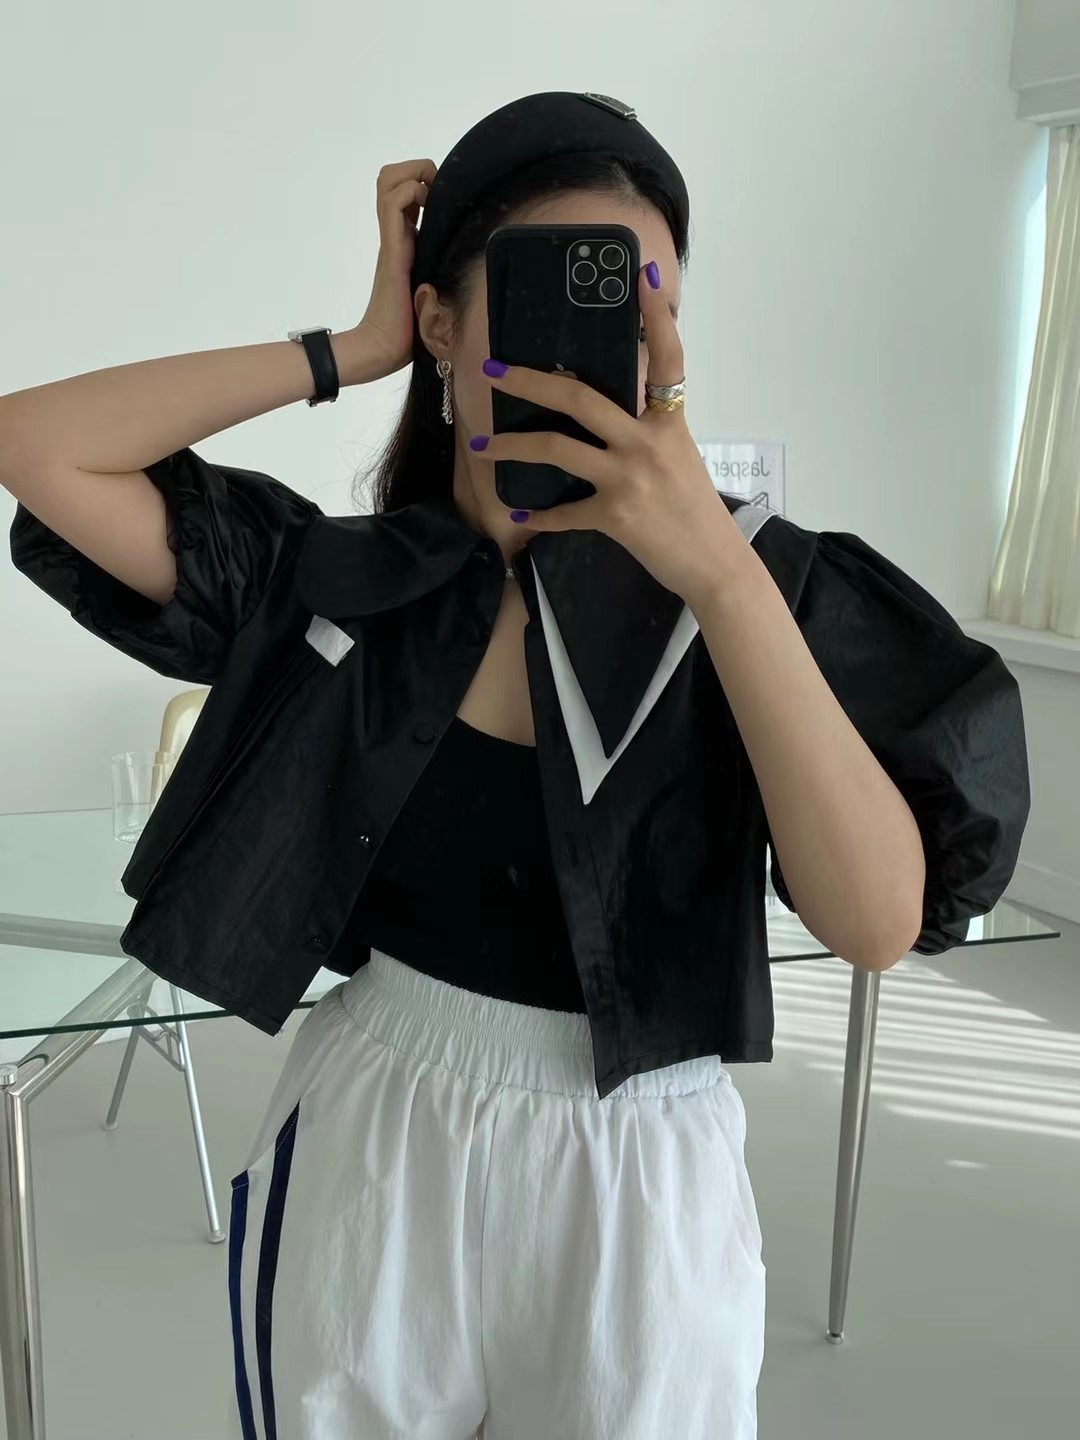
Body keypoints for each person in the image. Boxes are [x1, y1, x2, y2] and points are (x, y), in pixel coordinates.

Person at [1, 92, 1030, 1440]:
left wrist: (719, 576)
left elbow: (879, 922)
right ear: (444, 322)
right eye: (554, 295)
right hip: (379, 1130)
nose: (604, 346)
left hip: (643, 1167)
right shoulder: (352, 581)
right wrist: (351, 347)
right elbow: (36, 445)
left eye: (646, 305)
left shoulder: (766, 590)